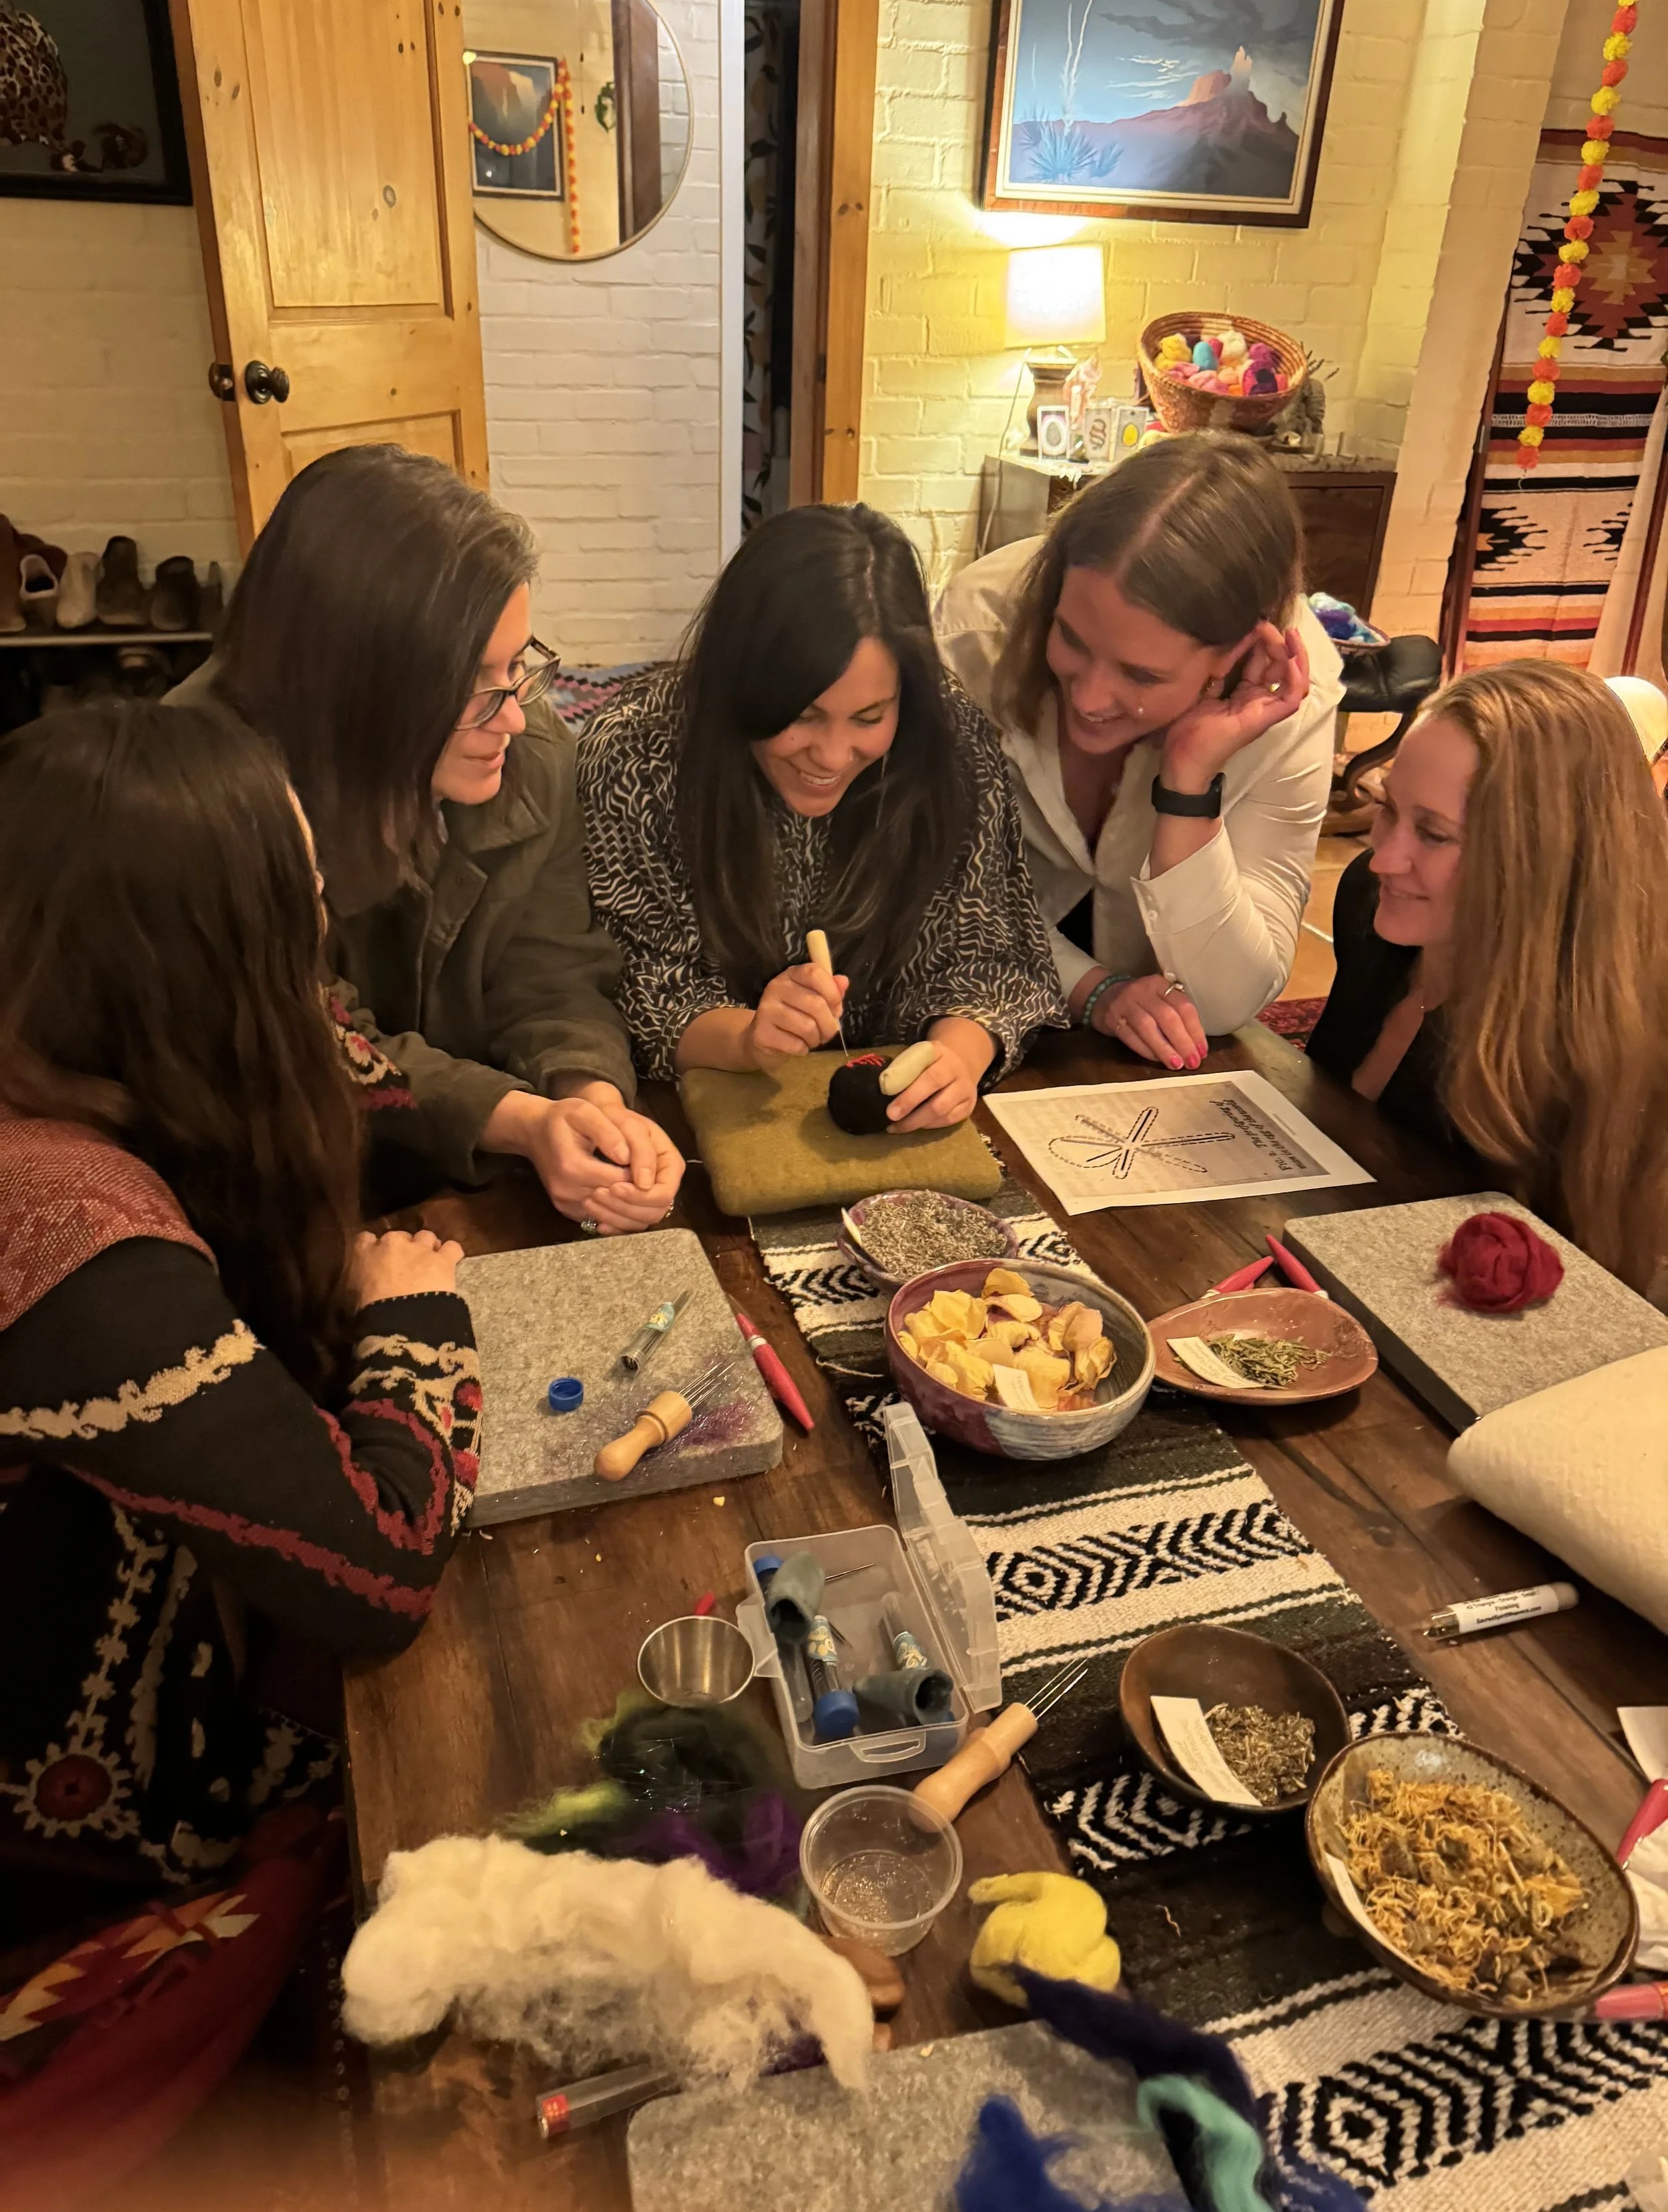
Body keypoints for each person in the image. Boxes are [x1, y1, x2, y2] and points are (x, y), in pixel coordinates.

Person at [0, 703, 482, 1904]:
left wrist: (534, 1117)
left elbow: (384, 1118)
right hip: (76, 1815)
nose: (324, 927)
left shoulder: (88, 1037)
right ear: (199, 961)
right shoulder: (69, 1238)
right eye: (296, 906)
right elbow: (378, 1570)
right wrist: (412, 1317)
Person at [169, 443, 681, 1235]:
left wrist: (591, 1103)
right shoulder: (195, 800)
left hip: (462, 1167)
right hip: (265, 1194)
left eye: (517, 663)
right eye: (470, 682)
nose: (512, 712)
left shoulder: (529, 747)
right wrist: (521, 1121)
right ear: (353, 683)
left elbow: (551, 967)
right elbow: (318, 1041)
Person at [577, 504, 1066, 1120]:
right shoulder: (636, 753)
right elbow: (638, 984)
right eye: (803, 715)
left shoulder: (951, 741)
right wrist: (750, 1037)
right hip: (707, 1117)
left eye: (869, 718)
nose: (832, 756)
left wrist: (954, 1061)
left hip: (899, 1122)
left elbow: (990, 957)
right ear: (743, 681)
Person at [935, 433, 1344, 1071]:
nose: (1093, 696)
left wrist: (1190, 784)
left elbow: (1225, 1001)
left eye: (1142, 675)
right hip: (970, 982)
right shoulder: (973, 633)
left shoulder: (1296, 696)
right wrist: (1091, 989)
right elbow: (932, 891)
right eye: (1070, 638)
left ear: (1238, 653)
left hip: (1148, 1028)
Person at [1307, 661, 1668, 1295]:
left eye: (1434, 834)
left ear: (1541, 863)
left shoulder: (1600, 1053)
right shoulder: (1371, 906)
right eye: (1390, 808)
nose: (1384, 855)